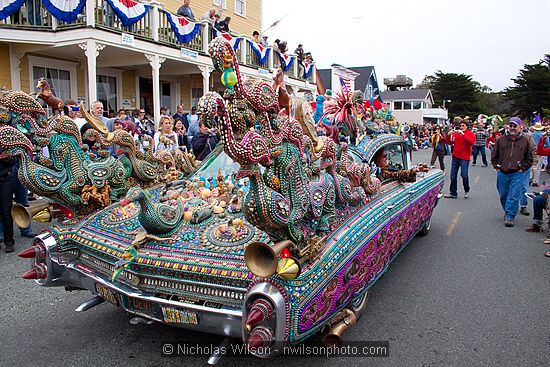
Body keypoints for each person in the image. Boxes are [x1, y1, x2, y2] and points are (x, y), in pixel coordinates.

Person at [491, 117, 534, 227]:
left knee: (514, 195)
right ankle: (508, 210)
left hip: (517, 173)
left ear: (520, 127)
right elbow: (494, 155)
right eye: (511, 125)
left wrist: (522, 168)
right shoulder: (501, 139)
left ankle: (510, 215)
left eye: (515, 126)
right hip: (502, 172)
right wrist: (496, 166)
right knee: (503, 195)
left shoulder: (525, 140)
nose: (512, 128)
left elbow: (529, 158)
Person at [444, 117, 475, 199]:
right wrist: (449, 135)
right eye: (460, 125)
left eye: (463, 125)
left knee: (464, 175)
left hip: (465, 157)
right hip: (455, 156)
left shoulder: (470, 134)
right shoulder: (457, 134)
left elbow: (471, 142)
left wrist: (463, 134)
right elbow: (450, 142)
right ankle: (453, 193)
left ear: (467, 126)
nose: (461, 127)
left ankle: (466, 189)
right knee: (453, 175)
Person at [0, 156, 17, 253]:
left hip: (4, 180)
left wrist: (4, 157)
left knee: (6, 212)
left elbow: (12, 161)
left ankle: (9, 242)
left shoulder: (4, 143)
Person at [530, 122, 545, 186]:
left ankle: (530, 177)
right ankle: (535, 181)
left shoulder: (531, 135)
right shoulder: (543, 135)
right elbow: (548, 145)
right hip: (540, 152)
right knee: (538, 167)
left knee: (531, 165)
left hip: (531, 151)